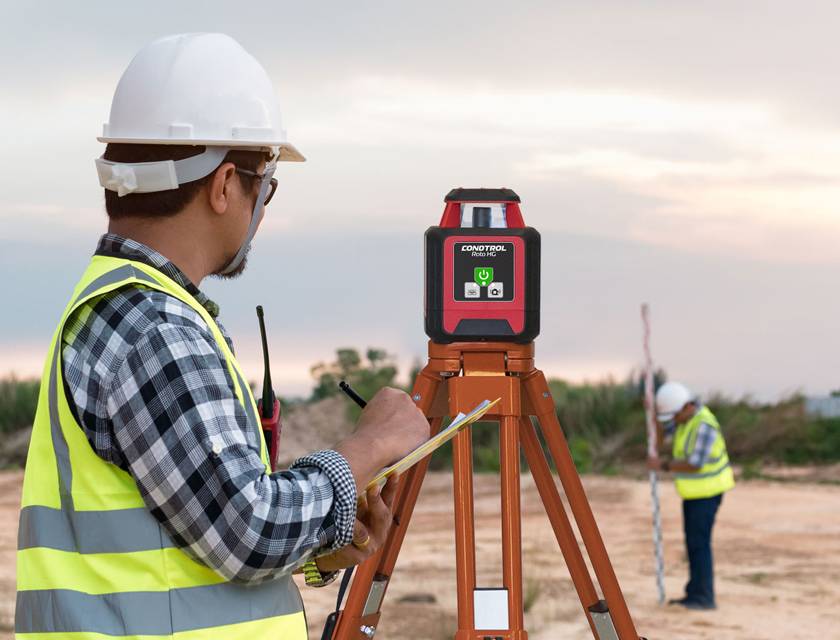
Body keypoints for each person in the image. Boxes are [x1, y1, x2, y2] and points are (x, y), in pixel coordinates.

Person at [15, 33, 429, 639]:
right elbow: (249, 532)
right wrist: (369, 446)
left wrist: (317, 545)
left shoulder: (127, 308)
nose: (263, 205)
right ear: (225, 184)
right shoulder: (153, 326)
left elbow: (191, 541)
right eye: (267, 181)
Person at [647, 381, 735, 610]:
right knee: (694, 544)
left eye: (673, 416)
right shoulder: (683, 420)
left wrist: (663, 465)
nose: (672, 422)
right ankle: (694, 593)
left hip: (707, 493)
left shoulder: (703, 424)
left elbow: (695, 464)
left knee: (699, 544)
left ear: (686, 407)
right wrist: (654, 417)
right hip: (694, 494)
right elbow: (659, 441)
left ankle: (704, 597)